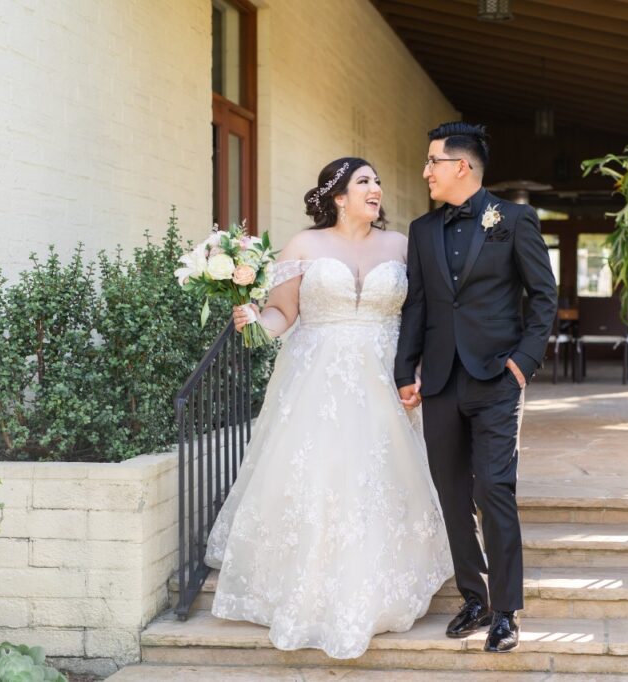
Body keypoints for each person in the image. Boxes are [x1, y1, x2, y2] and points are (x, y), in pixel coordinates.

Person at [204, 157, 452, 660]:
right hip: (316, 380)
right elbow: (283, 313)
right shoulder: (304, 246)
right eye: (364, 182)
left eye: (378, 181)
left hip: (386, 379)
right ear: (338, 196)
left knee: (379, 477)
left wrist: (421, 369)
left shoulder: (403, 246)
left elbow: (423, 316)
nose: (376, 188)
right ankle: (308, 589)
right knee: (320, 475)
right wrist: (253, 319)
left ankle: (381, 584)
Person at [395, 122, 558, 653]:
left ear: (460, 166)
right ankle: (474, 596)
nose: (425, 172)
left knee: (494, 489)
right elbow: (417, 303)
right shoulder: (422, 231)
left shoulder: (514, 220)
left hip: (496, 377)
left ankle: (506, 610)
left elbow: (543, 297)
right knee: (451, 492)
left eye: (431, 162)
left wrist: (523, 363)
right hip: (440, 379)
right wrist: (406, 370)